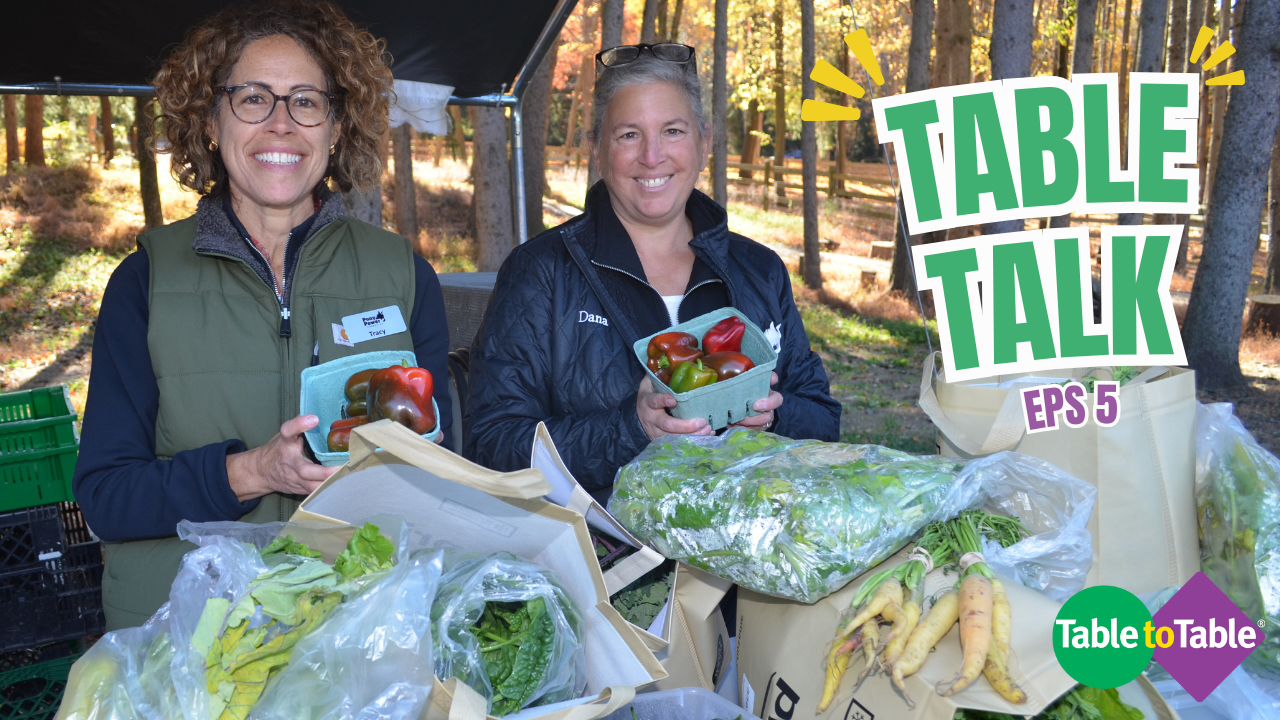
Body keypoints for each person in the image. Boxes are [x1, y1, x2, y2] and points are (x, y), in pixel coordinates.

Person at [73, 1, 452, 630]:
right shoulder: (145, 282)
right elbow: (106, 499)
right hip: (187, 642)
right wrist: (250, 472)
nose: (281, 124)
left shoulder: (404, 275)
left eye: (306, 101)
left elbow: (441, 475)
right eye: (253, 98)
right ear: (212, 122)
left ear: (336, 128)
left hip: (355, 633)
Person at [465, 43, 840, 505]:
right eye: (628, 135)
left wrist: (775, 417)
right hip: (607, 560)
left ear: (704, 143)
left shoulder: (760, 270)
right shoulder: (540, 272)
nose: (652, 155)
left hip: (747, 554)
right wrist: (630, 430)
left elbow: (824, 421)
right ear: (597, 149)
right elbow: (492, 446)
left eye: (672, 131)